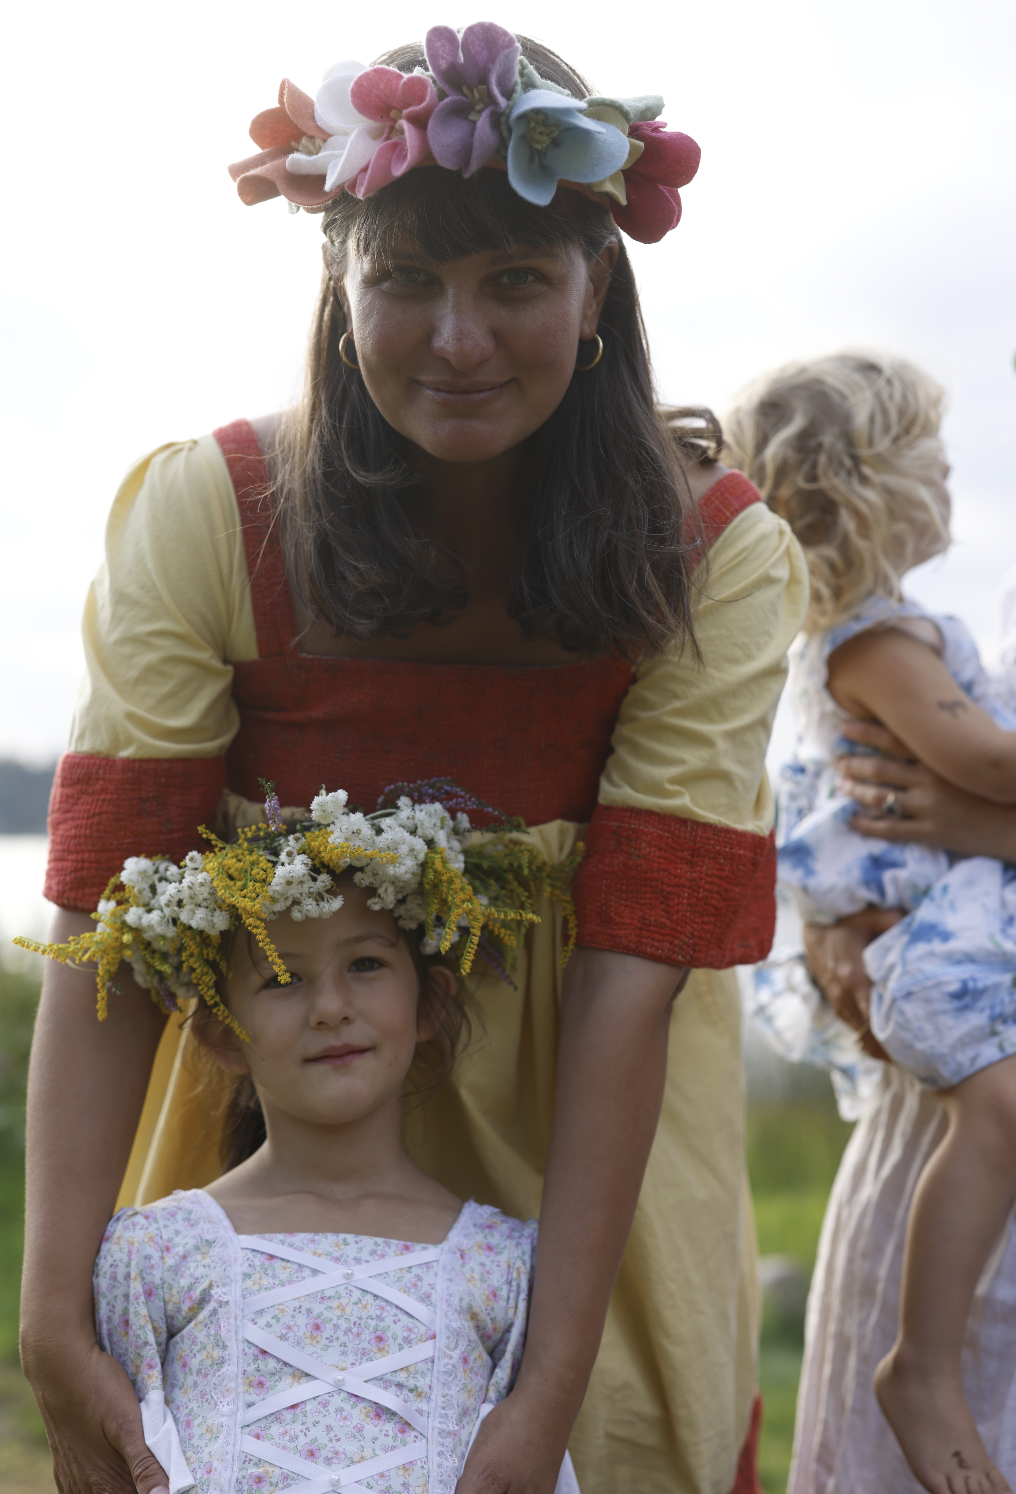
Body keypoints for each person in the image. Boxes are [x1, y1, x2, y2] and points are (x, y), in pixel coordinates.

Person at [21, 25, 809, 1494]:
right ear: (339, 289)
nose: (458, 339)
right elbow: (107, 918)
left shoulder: (712, 554)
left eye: (514, 279)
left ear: (593, 299)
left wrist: (544, 1382)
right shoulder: (217, 511)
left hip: (590, 1167)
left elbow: (636, 969)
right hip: (266, 1138)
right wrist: (54, 1314)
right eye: (405, 280)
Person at [29, 780, 583, 1494]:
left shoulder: (506, 1268)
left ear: (431, 1002)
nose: (330, 1007)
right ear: (221, 1034)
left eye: (365, 964)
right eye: (282, 976)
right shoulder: (152, 1256)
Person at [727, 353, 1016, 1494]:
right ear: (862, 492)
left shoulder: (890, 640)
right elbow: (978, 763)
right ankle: (924, 1367)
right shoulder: (883, 643)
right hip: (945, 988)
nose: (951, 469)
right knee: (994, 1114)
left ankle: (923, 1367)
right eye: (924, 453)